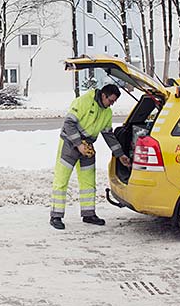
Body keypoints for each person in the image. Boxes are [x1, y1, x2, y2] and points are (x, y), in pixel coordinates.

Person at [50, 84, 132, 229]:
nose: (112, 104)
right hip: (69, 145)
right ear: (103, 95)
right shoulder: (84, 101)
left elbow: (108, 135)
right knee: (61, 180)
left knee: (88, 182)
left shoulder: (107, 112)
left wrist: (120, 155)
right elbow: (69, 124)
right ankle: (56, 216)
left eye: (114, 102)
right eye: (111, 100)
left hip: (87, 147)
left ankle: (88, 214)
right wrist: (78, 144)